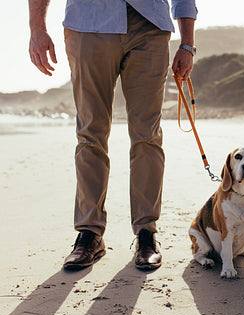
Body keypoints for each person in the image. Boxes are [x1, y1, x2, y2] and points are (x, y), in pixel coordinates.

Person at [28, 0, 198, 270]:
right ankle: (90, 234)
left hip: (149, 26)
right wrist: (37, 28)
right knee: (90, 134)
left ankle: (146, 232)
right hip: (87, 24)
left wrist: (187, 43)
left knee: (147, 135)